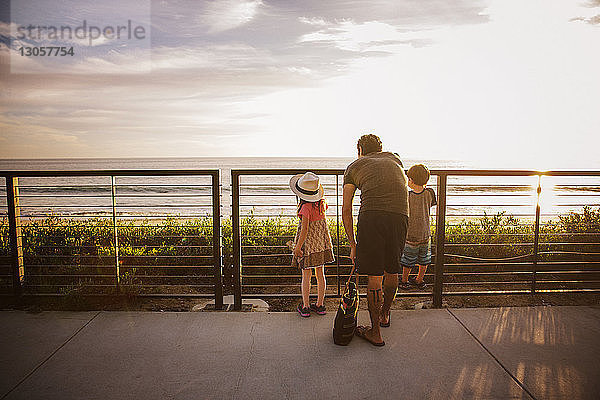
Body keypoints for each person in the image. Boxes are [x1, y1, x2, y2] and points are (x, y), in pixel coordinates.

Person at [342, 134, 409, 346]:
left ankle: (376, 332)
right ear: (381, 149)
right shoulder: (395, 159)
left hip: (372, 216)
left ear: (360, 149)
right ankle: (385, 314)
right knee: (392, 269)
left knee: (374, 275)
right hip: (400, 216)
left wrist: (353, 245)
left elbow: (346, 210)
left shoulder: (354, 166)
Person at [290, 172, 335, 317]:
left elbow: (305, 230)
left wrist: (297, 247)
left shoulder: (305, 208)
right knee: (320, 274)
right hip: (320, 246)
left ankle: (306, 306)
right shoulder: (321, 204)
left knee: (306, 276)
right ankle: (320, 305)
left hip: (308, 248)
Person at [400, 164, 437, 290]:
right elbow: (431, 205)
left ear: (410, 180)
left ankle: (404, 280)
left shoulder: (407, 195)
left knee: (408, 260)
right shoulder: (430, 193)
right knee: (424, 259)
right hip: (425, 233)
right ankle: (419, 279)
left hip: (410, 234)